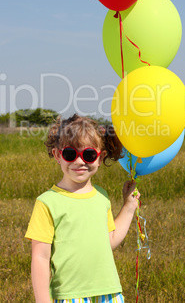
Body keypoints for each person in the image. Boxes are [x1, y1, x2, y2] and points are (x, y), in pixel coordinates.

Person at [25, 114, 140, 303]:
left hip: (109, 294)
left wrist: (128, 207)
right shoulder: (47, 203)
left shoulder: (102, 196)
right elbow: (40, 257)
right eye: (70, 154)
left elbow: (108, 241)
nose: (80, 161)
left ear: (100, 157)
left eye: (88, 154)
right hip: (70, 296)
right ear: (57, 155)